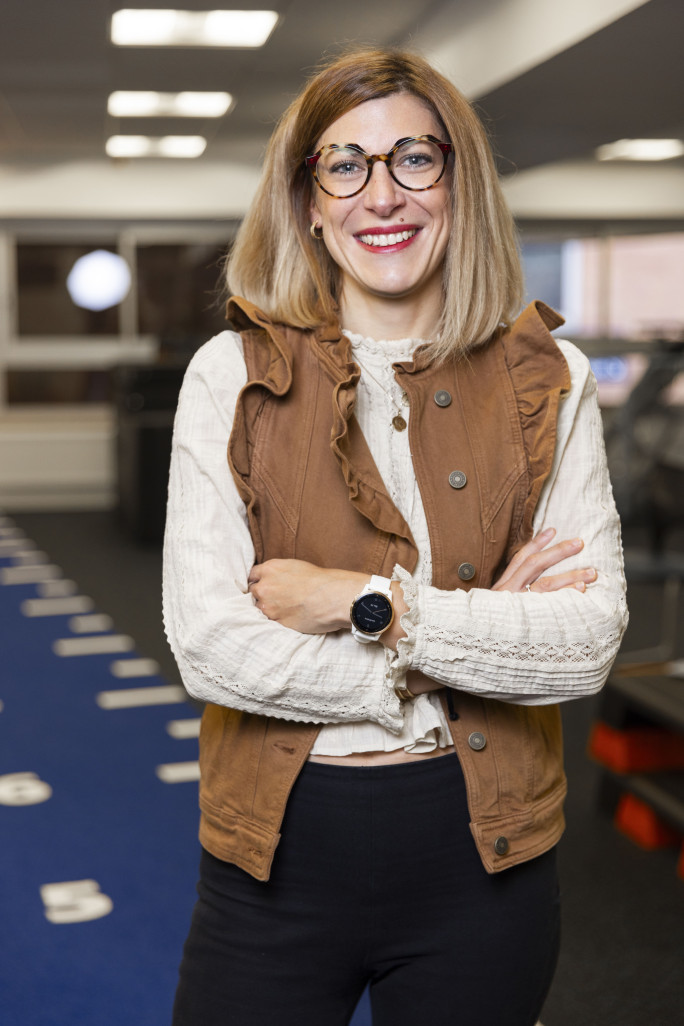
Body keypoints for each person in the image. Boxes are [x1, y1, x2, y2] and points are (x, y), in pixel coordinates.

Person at [163, 47, 628, 1026]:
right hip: (277, 848)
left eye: (416, 159)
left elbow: (585, 644)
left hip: (484, 850)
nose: (384, 195)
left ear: (458, 183)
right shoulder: (230, 374)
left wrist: (363, 605)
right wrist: (471, 636)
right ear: (308, 202)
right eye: (347, 165)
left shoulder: (551, 380)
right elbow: (209, 645)